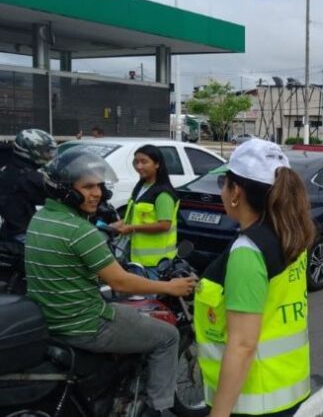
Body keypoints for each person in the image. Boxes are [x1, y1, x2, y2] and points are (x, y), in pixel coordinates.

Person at [25, 149, 196, 416]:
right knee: (167, 336)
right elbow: (120, 282)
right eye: (88, 187)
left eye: (99, 186)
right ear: (65, 190)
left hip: (49, 317)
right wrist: (170, 287)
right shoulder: (80, 231)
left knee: (129, 313)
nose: (97, 193)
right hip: (85, 324)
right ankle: (158, 408)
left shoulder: (42, 218)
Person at [195, 139, 315, 417]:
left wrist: (219, 413)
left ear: (236, 191)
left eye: (223, 184)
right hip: (286, 385)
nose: (221, 192)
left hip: (253, 400)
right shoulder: (290, 234)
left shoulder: (248, 252)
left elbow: (242, 345)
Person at [112, 145, 179, 271]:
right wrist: (119, 224)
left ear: (157, 164)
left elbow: (164, 225)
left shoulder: (163, 194)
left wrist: (131, 228)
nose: (139, 166)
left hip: (156, 263)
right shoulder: (140, 187)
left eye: (144, 162)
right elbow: (135, 217)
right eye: (136, 162)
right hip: (137, 258)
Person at [0, 128, 57, 244]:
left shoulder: (10, 169)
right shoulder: (29, 178)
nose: (49, 155)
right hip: (23, 233)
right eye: (45, 151)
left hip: (10, 229)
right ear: (30, 151)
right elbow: (58, 194)